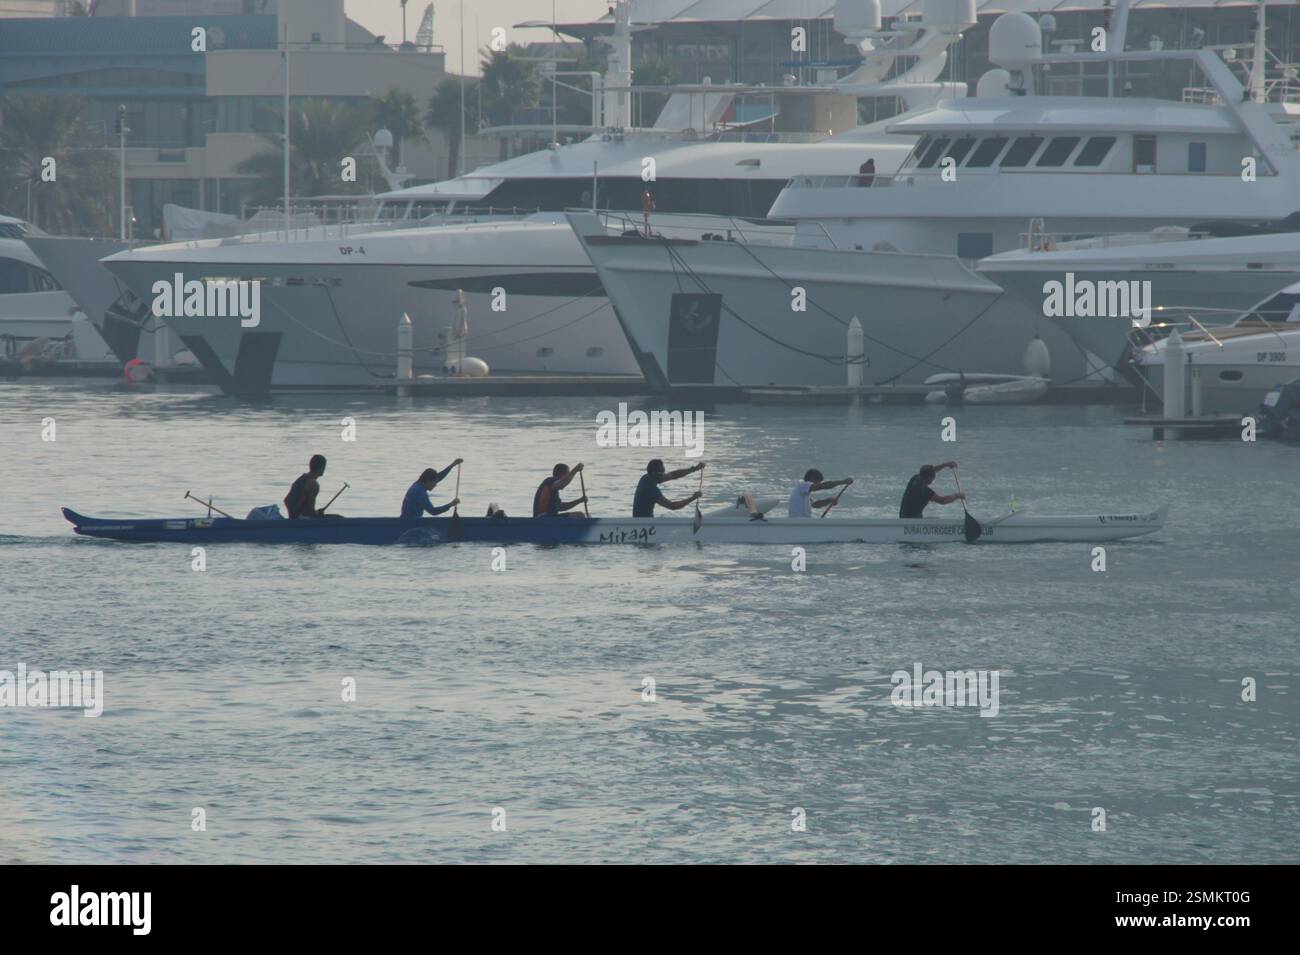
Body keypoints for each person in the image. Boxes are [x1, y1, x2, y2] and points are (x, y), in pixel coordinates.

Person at [633, 458, 704, 518]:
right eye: (661, 474)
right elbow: (672, 506)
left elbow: (673, 475)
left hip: (643, 521)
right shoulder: (650, 489)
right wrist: (693, 498)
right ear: (653, 473)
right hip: (643, 524)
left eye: (663, 473)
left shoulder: (647, 477)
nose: (664, 475)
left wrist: (694, 469)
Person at [899, 461, 964, 518]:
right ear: (930, 478)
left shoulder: (914, 478)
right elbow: (942, 500)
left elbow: (932, 470)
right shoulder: (925, 491)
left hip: (903, 517)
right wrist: (957, 496)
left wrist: (946, 464)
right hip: (912, 521)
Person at [788, 469, 854, 518]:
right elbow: (822, 486)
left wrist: (829, 500)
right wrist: (843, 482)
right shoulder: (802, 484)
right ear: (812, 479)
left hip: (803, 522)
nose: (819, 484)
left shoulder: (804, 492)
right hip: (798, 522)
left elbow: (815, 505)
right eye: (818, 482)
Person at [284, 454, 330, 519]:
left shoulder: (302, 478)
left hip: (295, 517)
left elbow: (287, 500)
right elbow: (311, 511)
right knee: (338, 518)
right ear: (322, 467)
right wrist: (316, 514)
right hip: (303, 519)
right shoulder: (313, 484)